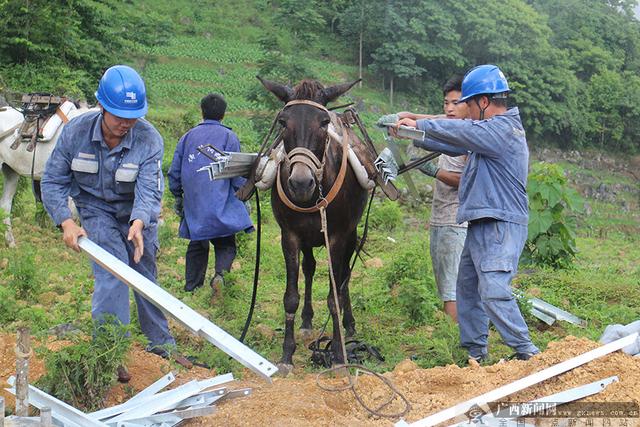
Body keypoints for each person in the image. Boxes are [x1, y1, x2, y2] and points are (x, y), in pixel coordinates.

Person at [41, 64, 192, 382]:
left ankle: (160, 344)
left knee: (143, 270)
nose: (126, 124)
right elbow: (53, 180)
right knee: (112, 269)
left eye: (133, 116)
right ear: (102, 107)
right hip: (95, 210)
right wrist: (66, 222)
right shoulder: (76, 132)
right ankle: (112, 351)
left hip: (135, 212)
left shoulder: (149, 139)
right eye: (119, 116)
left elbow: (149, 188)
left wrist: (139, 222)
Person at [395, 64, 540, 362]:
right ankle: (475, 353)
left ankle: (527, 353)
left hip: (500, 222)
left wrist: (419, 125)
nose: (466, 111)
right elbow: (452, 141)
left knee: (493, 289)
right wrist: (411, 133)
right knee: (468, 291)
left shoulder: (502, 130)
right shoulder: (489, 133)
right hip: (481, 221)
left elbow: (460, 130)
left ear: (483, 102)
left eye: (468, 105)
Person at [397, 75, 468, 322]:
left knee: (452, 289)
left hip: (457, 221)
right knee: (444, 284)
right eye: (446, 102)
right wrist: (409, 117)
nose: (449, 108)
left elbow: (467, 180)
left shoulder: (470, 135)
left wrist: (434, 172)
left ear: (469, 104)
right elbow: (436, 120)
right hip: (440, 218)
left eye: (456, 102)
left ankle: (453, 345)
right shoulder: (449, 124)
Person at [168, 93, 253, 295]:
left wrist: (178, 195)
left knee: (197, 242)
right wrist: (243, 196)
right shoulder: (229, 137)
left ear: (202, 111)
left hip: (195, 203)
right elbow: (236, 173)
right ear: (223, 115)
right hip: (221, 201)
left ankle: (192, 288)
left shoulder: (187, 137)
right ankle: (220, 277)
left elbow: (175, 172)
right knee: (226, 243)